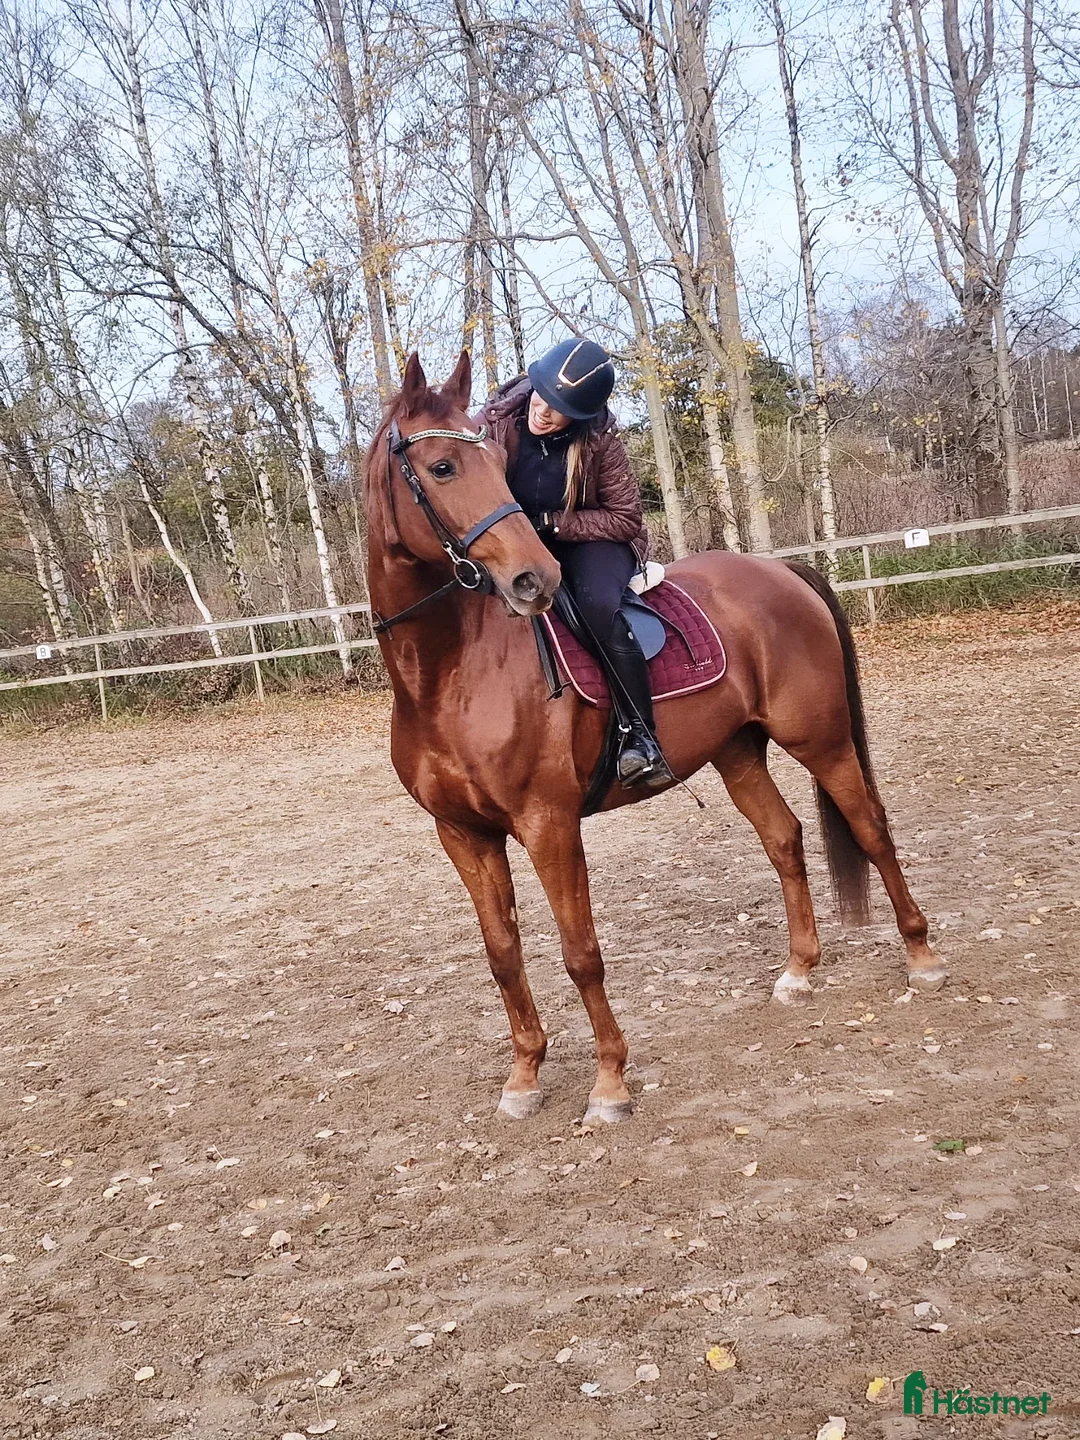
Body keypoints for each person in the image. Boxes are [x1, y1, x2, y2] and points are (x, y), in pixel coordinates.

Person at [475, 338, 668, 787]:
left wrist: (552, 525)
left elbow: (624, 519)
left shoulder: (600, 440)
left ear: (579, 417)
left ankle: (643, 737)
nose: (543, 411)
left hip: (593, 541)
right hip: (517, 545)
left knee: (598, 605)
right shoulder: (493, 423)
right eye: (542, 395)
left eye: (558, 408)